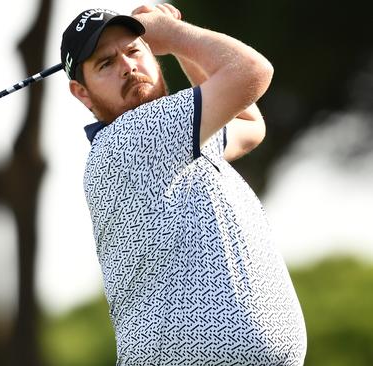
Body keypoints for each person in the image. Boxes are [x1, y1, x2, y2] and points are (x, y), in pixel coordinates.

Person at [60, 4, 306, 365]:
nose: (128, 67)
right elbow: (252, 71)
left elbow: (250, 125)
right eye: (105, 64)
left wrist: (175, 44)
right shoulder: (133, 137)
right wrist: (173, 34)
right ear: (82, 93)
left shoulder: (173, 141)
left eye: (133, 51)